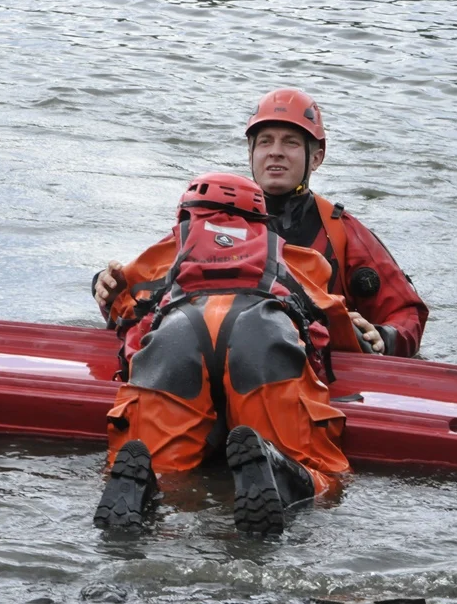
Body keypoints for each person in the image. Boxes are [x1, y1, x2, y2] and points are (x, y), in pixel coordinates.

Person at [93, 172, 364, 535]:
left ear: (186, 215)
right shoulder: (294, 255)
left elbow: (122, 308)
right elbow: (335, 325)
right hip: (262, 337)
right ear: (260, 219)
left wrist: (101, 287)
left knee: (158, 462)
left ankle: (148, 486)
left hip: (177, 336)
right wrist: (375, 341)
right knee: (320, 469)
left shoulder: (169, 249)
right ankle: (287, 474)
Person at [94, 88, 428, 358]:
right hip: (215, 352)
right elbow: (148, 287)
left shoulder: (342, 232)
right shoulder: (208, 220)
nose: (276, 152)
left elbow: (406, 313)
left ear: (316, 157)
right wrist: (109, 289)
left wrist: (384, 337)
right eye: (265, 141)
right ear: (251, 152)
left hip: (309, 360)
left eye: (291, 142)